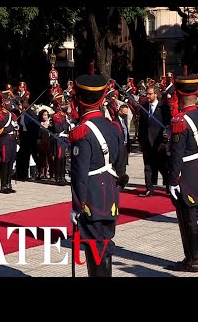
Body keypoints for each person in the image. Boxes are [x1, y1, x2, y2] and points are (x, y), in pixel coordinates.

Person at [69, 74, 127, 277]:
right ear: (102, 98)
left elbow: (79, 175)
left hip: (91, 196)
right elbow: (120, 162)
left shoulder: (82, 132)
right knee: (104, 241)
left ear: (79, 99)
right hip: (110, 193)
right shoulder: (113, 128)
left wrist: (77, 206)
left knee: (94, 245)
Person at [167, 75, 198, 272]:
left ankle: (193, 258)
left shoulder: (179, 121)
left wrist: (173, 178)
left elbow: (177, 154)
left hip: (186, 171)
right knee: (196, 213)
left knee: (187, 215)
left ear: (179, 93)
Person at [138, 84, 171, 197]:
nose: (148, 96)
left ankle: (168, 186)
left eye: (150, 94)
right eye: (147, 93)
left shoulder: (164, 107)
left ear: (156, 94)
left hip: (160, 142)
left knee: (163, 166)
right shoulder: (143, 107)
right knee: (148, 166)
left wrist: (166, 139)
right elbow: (141, 126)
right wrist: (141, 141)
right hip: (147, 141)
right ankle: (149, 188)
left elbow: (168, 123)